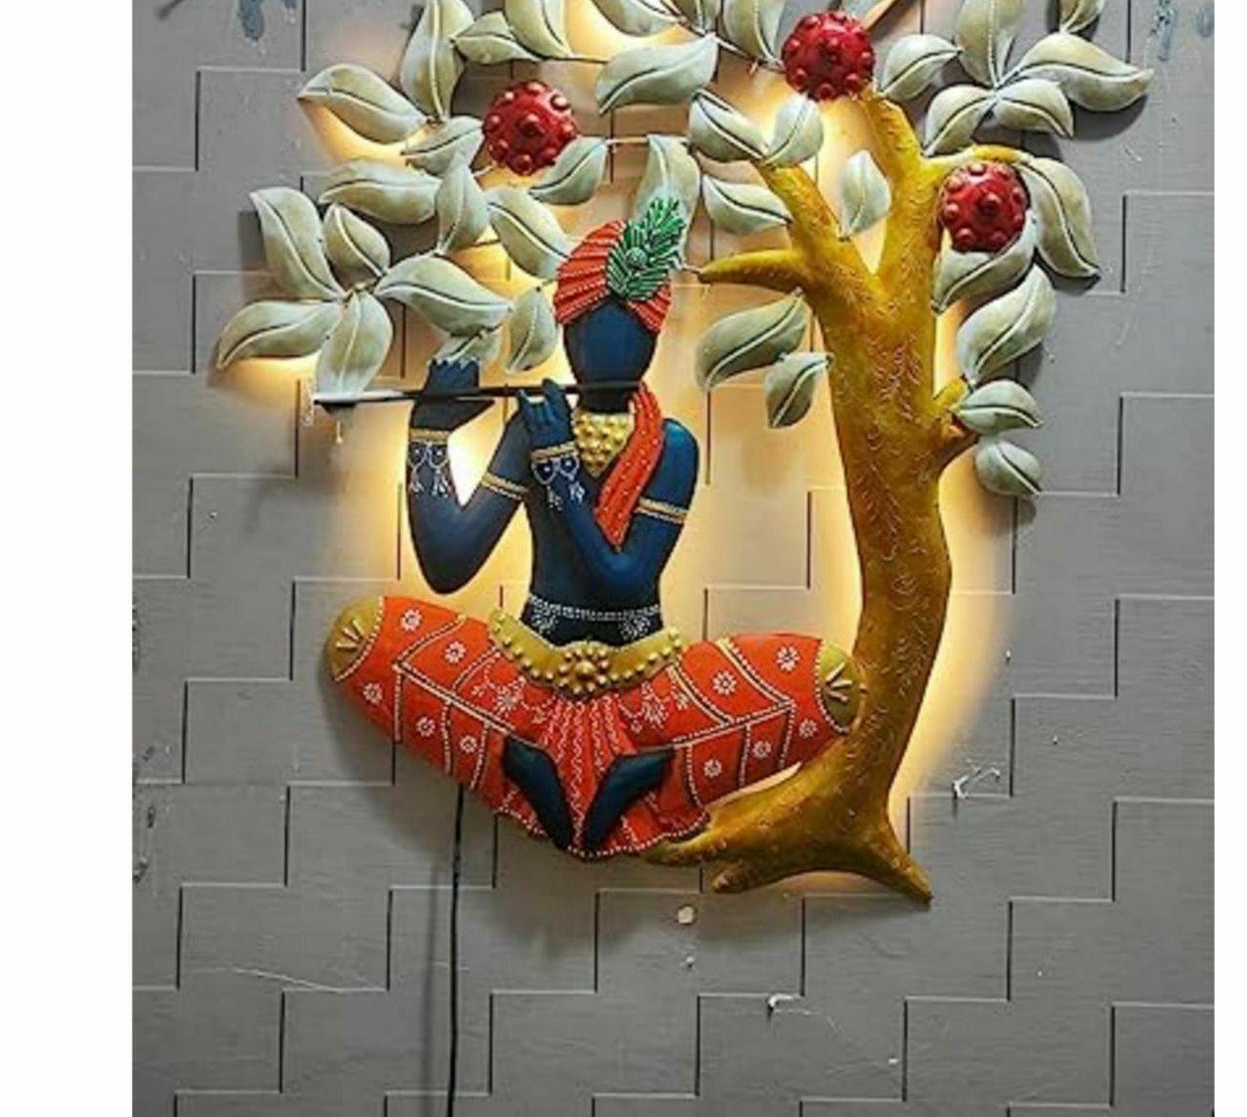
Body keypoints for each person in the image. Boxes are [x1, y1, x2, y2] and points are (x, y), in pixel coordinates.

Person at [327, 198, 860, 858]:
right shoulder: (535, 427)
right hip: (528, 673)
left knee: (825, 687)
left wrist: (559, 469)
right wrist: (428, 434)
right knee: (367, 641)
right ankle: (609, 782)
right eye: (589, 327)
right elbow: (448, 562)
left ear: (653, 339)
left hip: (646, 680)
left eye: (629, 329)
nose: (608, 346)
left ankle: (544, 775)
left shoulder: (670, 446)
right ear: (567, 332)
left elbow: (622, 580)